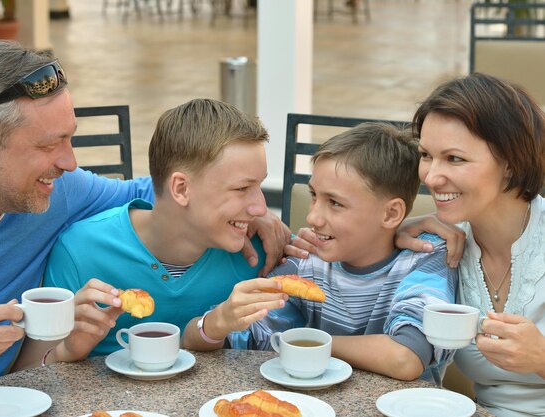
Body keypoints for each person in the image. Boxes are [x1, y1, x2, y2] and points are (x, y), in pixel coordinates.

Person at [0, 42, 287, 411]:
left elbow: (156, 191)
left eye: (70, 137)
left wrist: (246, 206)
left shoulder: (57, 190)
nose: (69, 161)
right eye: (50, 144)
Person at [17, 98, 289, 366]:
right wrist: (68, 349)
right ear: (181, 189)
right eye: (242, 189)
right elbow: (27, 375)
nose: (260, 208)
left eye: (259, 186)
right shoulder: (79, 251)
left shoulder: (262, 251)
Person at [183, 122, 458, 384]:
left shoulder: (426, 258)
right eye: (314, 195)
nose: (313, 217)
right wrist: (217, 322)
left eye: (335, 203)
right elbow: (219, 338)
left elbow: (406, 357)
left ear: (391, 213)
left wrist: (306, 343)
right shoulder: (306, 262)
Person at [413, 73, 545, 417]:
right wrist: (390, 232)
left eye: (454, 159)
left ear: (511, 163)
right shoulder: (441, 245)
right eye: (426, 155)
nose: (431, 176)